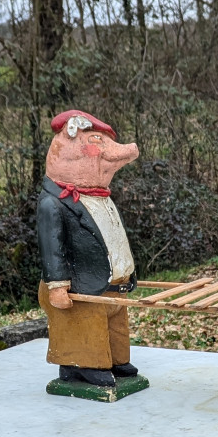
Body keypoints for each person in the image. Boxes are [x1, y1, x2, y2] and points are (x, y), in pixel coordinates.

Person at [36, 110, 141, 388]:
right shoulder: (53, 204)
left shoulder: (100, 196)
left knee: (116, 325)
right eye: (98, 141)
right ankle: (85, 364)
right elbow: (52, 248)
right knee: (85, 325)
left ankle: (116, 358)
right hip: (82, 287)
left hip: (110, 282)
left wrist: (127, 271)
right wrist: (57, 286)